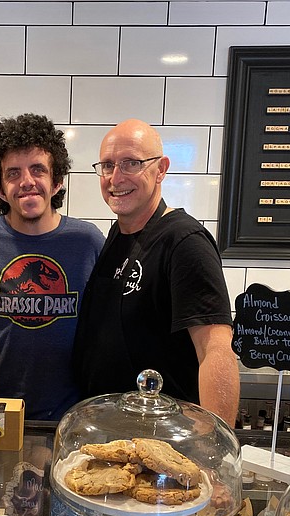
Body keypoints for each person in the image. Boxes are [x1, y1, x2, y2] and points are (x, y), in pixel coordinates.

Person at [72, 118, 240, 427]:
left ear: (161, 168)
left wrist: (215, 449)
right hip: (113, 435)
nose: (115, 178)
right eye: (107, 166)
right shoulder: (118, 236)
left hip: (161, 445)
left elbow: (214, 347)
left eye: (131, 163)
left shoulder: (184, 241)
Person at [0, 114, 105, 421]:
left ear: (56, 182)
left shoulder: (87, 242)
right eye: (13, 173)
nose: (27, 181)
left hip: (71, 416)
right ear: (1, 189)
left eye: (38, 170)